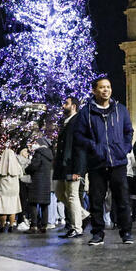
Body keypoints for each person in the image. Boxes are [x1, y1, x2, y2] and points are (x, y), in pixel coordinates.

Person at [72, 76, 135, 246]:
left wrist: (125, 148)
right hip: (97, 163)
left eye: (108, 86)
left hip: (118, 162)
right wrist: (94, 147)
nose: (106, 90)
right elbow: (78, 135)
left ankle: (126, 232)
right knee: (96, 201)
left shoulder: (120, 110)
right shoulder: (86, 112)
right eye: (101, 87)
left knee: (122, 200)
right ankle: (98, 233)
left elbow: (128, 131)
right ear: (94, 90)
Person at [54, 96, 83, 239]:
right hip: (63, 166)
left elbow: (79, 147)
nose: (63, 105)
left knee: (72, 196)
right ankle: (83, 215)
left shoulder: (77, 121)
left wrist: (78, 170)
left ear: (73, 106)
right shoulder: (66, 122)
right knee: (59, 192)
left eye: (66, 103)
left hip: (72, 165)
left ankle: (77, 228)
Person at [24, 136, 54, 233]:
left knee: (33, 203)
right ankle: (44, 226)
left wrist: (27, 169)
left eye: (36, 143)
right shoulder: (50, 154)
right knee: (44, 205)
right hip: (46, 182)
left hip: (37, 182)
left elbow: (34, 166)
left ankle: (34, 225)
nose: (34, 144)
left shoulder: (39, 153)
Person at [0, 148, 23, 233]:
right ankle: (11, 226)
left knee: (3, 209)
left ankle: (2, 226)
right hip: (14, 191)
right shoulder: (17, 166)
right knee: (13, 208)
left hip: (2, 190)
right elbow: (21, 176)